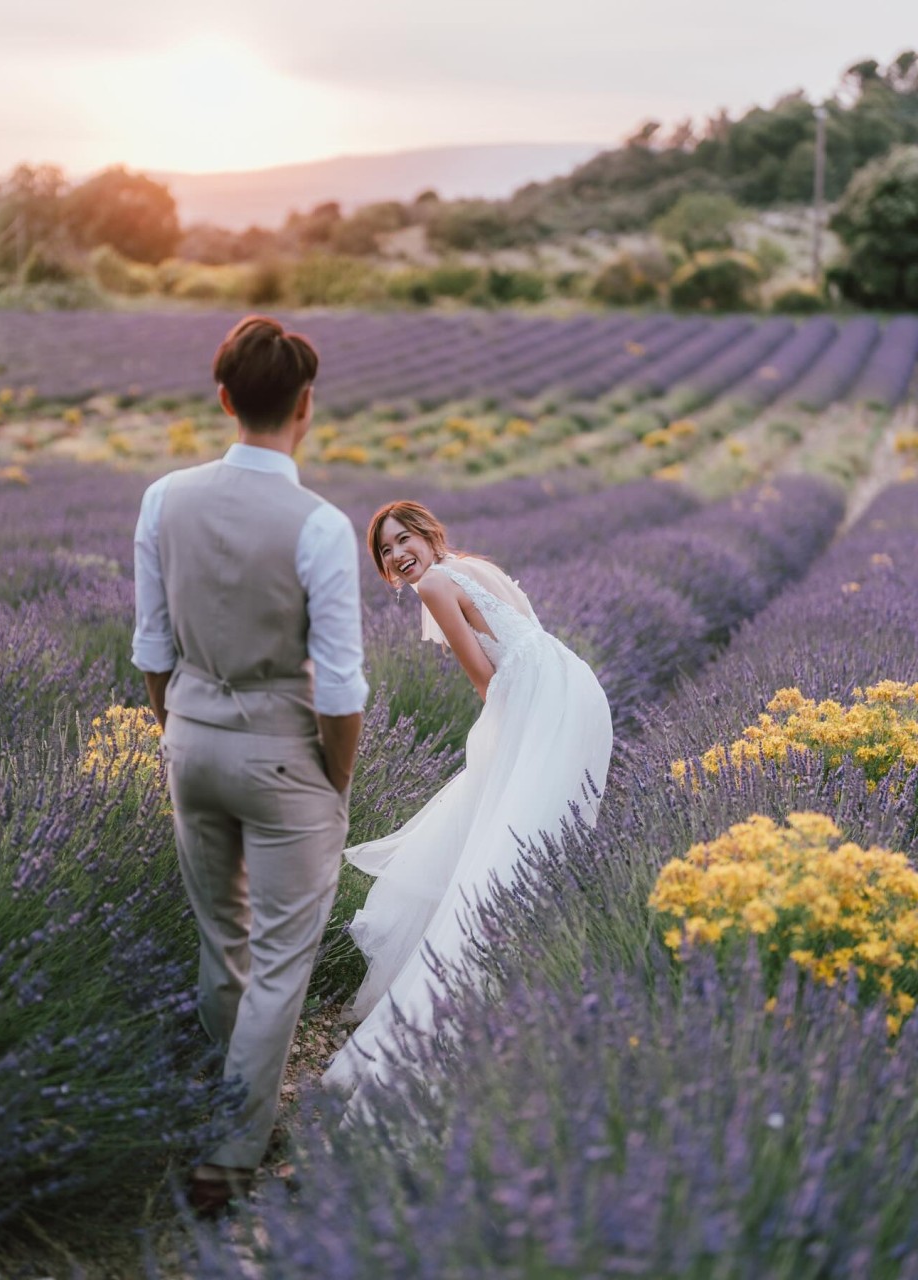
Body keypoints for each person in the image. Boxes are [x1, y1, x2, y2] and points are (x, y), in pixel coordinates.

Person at [132, 315, 368, 1214]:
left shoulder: (164, 498)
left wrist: (180, 728)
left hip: (189, 740)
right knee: (279, 961)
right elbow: (341, 690)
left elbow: (152, 646)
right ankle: (233, 1153)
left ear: (224, 398)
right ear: (306, 407)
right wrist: (332, 781)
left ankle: (235, 1105)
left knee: (220, 944)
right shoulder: (318, 525)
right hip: (284, 757)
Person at [322, 500, 612, 1105]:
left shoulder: (432, 583)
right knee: (536, 833)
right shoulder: (477, 565)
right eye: (385, 551)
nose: (398, 556)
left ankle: (460, 994)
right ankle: (532, 976)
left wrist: (495, 737)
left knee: (502, 840)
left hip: (537, 700)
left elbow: (484, 678)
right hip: (574, 686)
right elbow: (529, 635)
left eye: (404, 540)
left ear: (428, 536)